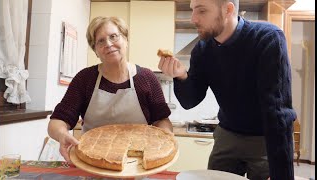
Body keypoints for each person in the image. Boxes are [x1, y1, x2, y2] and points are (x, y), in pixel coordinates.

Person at [158, 0, 297, 179]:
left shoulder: (267, 38)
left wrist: (282, 175)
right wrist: (180, 75)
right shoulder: (203, 49)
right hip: (227, 135)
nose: (193, 19)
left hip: (265, 138)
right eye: (193, 11)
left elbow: (278, 111)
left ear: (228, 9)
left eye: (201, 11)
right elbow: (191, 100)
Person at [48, 16, 173, 163]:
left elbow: (161, 120)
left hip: (137, 164)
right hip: (93, 161)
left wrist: (165, 139)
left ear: (125, 39)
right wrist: (62, 134)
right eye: (100, 41)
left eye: (113, 36)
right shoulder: (84, 79)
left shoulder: (146, 78)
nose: (108, 44)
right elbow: (57, 122)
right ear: (95, 50)